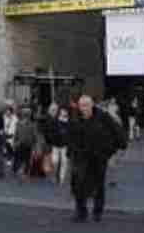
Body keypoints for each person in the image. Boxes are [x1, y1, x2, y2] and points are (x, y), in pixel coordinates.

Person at [67, 95, 125, 223]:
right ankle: (81, 212)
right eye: (82, 105)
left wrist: (112, 150)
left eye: (87, 105)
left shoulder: (103, 117)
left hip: (98, 156)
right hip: (80, 156)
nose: (84, 108)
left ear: (92, 105)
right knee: (78, 184)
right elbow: (70, 135)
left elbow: (118, 132)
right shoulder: (75, 118)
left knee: (99, 185)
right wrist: (70, 152)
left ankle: (97, 212)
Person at [41, 103, 70, 188]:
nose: (63, 113)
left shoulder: (69, 122)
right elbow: (51, 131)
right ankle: (54, 175)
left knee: (64, 162)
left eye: (65, 112)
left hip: (64, 145)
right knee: (55, 161)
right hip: (55, 145)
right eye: (62, 112)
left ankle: (61, 179)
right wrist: (52, 139)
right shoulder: (55, 121)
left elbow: (71, 133)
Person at [12, 107, 37, 180]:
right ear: (22, 115)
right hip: (20, 144)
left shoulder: (32, 125)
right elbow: (16, 134)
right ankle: (16, 170)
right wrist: (15, 142)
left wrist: (34, 146)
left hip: (28, 144)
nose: (26, 115)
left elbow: (34, 136)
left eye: (27, 114)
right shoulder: (19, 123)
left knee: (27, 159)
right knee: (18, 158)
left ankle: (25, 173)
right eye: (25, 114)